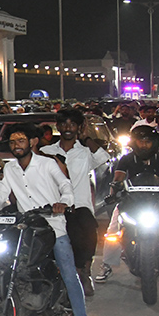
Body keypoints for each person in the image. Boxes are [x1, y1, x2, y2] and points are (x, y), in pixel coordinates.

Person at [0, 124, 92, 316]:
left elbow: (65, 185)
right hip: (25, 226)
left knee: (69, 273)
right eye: (12, 142)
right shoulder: (10, 169)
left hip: (52, 225)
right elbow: (2, 190)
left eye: (20, 140)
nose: (16, 145)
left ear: (32, 143)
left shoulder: (47, 164)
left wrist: (64, 202)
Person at [40, 111, 109, 296]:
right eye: (64, 123)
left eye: (73, 124)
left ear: (79, 127)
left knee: (87, 232)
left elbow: (103, 158)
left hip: (79, 205)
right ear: (58, 126)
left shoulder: (85, 152)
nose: (68, 127)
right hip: (54, 206)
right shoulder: (47, 152)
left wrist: (86, 138)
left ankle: (85, 273)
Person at [100, 124, 159, 280]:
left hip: (157, 199)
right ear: (134, 142)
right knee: (113, 230)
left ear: (154, 143)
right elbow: (118, 179)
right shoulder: (127, 159)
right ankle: (106, 265)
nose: (144, 145)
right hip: (132, 199)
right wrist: (115, 193)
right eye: (141, 141)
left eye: (148, 142)